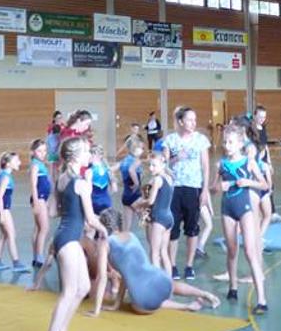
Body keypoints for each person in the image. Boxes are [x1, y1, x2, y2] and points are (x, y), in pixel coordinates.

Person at [32, 136, 106, 331]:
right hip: (69, 241)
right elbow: (91, 219)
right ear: (75, 156)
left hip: (65, 236)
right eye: (86, 151)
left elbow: (53, 211)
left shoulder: (62, 179)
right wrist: (105, 230)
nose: (89, 154)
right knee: (69, 292)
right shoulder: (81, 183)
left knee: (83, 287)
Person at [89, 210, 221, 315]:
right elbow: (125, 275)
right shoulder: (131, 235)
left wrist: (97, 310)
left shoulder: (105, 243)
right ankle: (205, 293)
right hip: (160, 278)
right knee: (171, 286)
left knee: (136, 304)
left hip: (143, 299)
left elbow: (103, 278)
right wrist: (116, 304)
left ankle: (185, 306)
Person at [217, 123, 269, 312]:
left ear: (240, 144)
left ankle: (262, 299)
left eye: (231, 142)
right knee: (232, 250)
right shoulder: (221, 164)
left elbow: (264, 185)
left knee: (250, 251)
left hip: (245, 208)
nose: (227, 146)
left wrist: (248, 182)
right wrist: (218, 187)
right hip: (227, 208)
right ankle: (233, 287)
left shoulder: (249, 162)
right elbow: (213, 188)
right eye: (225, 142)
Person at [162, 107, 210, 282]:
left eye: (194, 120)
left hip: (193, 187)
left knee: (192, 228)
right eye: (189, 120)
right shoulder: (170, 140)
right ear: (181, 121)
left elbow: (205, 166)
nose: (193, 123)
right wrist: (176, 158)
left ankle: (189, 266)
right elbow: (163, 165)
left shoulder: (201, 140)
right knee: (173, 229)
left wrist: (205, 190)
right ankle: (172, 265)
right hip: (174, 188)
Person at [0, 151, 27, 273]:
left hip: (2, 208)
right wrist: (2, 214)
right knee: (11, 235)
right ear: (8, 164)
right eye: (16, 161)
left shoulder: (3, 174)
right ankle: (16, 263)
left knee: (4, 235)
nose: (19, 163)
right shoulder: (6, 177)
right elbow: (0, 196)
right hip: (4, 209)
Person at [141, 150, 175, 274]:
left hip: (159, 219)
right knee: (164, 252)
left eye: (154, 165)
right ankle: (169, 281)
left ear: (163, 165)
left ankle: (157, 282)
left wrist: (139, 204)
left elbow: (150, 201)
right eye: (149, 165)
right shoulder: (169, 178)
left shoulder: (157, 180)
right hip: (169, 218)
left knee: (154, 254)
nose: (150, 168)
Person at [27, 139, 53, 268]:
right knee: (44, 228)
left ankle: (36, 256)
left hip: (43, 198)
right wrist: (37, 202)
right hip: (39, 198)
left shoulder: (41, 164)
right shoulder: (35, 165)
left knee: (38, 228)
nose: (43, 153)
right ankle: (40, 257)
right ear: (33, 152)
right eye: (39, 151)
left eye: (44, 151)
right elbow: (33, 184)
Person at [118, 136, 144, 233]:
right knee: (148, 220)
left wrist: (117, 181)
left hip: (126, 195)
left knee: (127, 227)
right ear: (135, 149)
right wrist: (136, 183)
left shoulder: (124, 160)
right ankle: (154, 242)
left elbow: (112, 170)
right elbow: (131, 170)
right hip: (135, 195)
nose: (142, 151)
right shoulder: (136, 161)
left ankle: (125, 239)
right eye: (141, 148)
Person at [88, 145, 115, 217]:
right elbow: (114, 189)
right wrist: (106, 194)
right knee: (108, 222)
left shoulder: (89, 171)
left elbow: (88, 190)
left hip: (93, 202)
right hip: (106, 201)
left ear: (93, 155)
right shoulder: (107, 169)